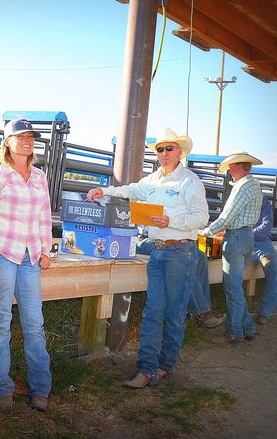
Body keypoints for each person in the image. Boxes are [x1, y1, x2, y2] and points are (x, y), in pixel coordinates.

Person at [87, 128, 209, 388]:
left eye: (169, 149)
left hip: (181, 251)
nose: (164, 153)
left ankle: (165, 365)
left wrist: (171, 220)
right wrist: (104, 191)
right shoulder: (152, 180)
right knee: (153, 311)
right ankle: (147, 369)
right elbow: (131, 190)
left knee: (174, 313)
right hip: (158, 251)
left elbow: (202, 217)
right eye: (160, 149)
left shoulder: (190, 181)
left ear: (180, 152)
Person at [0, 119, 52, 413]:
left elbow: (44, 215)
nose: (26, 140)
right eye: (19, 136)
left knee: (34, 324)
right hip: (3, 254)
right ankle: (1, 388)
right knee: (1, 323)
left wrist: (45, 249)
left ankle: (40, 389)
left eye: (30, 136)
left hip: (31, 257)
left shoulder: (39, 176)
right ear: (7, 142)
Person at [201, 151, 263, 343]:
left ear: (237, 166)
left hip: (236, 237)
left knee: (232, 288)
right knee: (235, 287)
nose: (228, 169)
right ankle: (248, 328)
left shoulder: (242, 187)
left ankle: (234, 332)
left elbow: (227, 216)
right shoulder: (254, 186)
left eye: (230, 166)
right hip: (246, 236)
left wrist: (207, 231)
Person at [250, 197, 277, 325]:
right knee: (241, 248)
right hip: (244, 240)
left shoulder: (264, 203)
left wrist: (248, 233)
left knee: (274, 273)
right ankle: (261, 256)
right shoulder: (237, 199)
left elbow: (266, 227)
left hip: (262, 241)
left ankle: (265, 312)